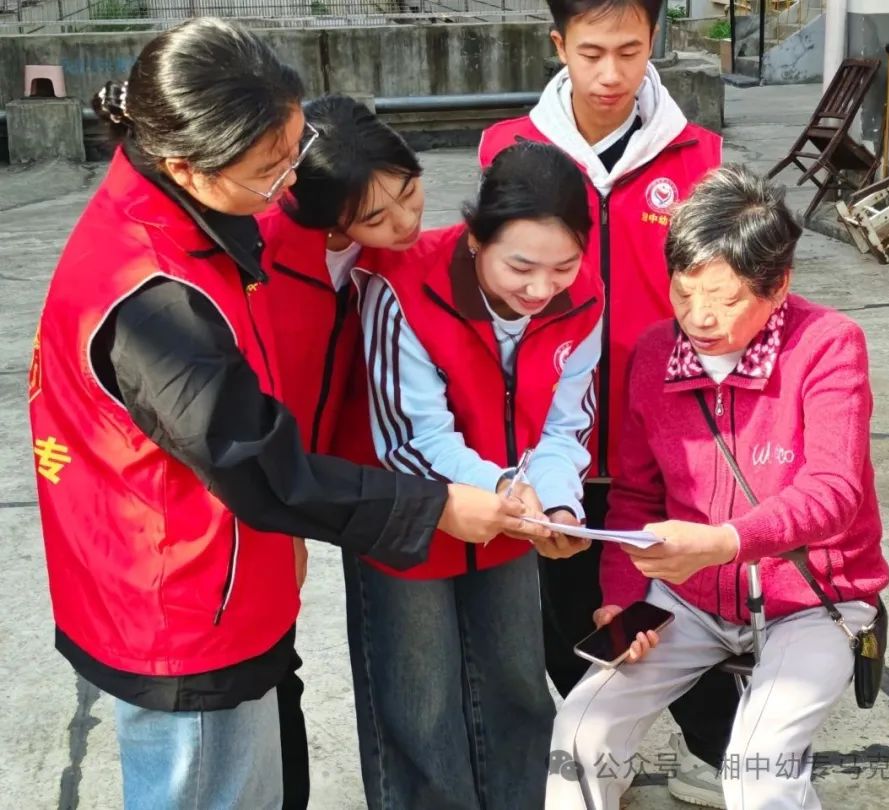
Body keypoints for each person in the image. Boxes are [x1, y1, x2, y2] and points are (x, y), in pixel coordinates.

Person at [27, 19, 531, 809]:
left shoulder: (183, 216)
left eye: (296, 149)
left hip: (222, 568)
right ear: (188, 165)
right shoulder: (158, 302)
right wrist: (433, 506)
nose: (291, 183)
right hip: (182, 604)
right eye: (272, 171)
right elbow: (260, 465)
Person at [545, 166, 889, 810]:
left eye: (726, 300)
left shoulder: (828, 345)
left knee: (758, 767)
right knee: (580, 732)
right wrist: (621, 599)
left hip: (813, 598)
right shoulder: (655, 352)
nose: (699, 318)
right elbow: (637, 497)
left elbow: (833, 491)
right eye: (683, 293)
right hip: (688, 596)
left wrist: (723, 541)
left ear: (778, 285)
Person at [478, 0, 735, 802]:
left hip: (668, 433)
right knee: (572, 611)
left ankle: (712, 748)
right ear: (559, 45)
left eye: (631, 50)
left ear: (655, 40)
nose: (611, 74)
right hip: (553, 433)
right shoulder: (508, 149)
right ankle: (603, 747)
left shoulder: (699, 156)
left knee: (679, 601)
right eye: (591, 52)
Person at [344, 141, 599, 810]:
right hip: (409, 515)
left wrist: (560, 505)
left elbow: (565, 426)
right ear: (475, 237)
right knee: (421, 704)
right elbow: (413, 438)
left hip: (512, 517)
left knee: (517, 686)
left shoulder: (585, 300)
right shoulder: (403, 286)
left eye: (563, 266)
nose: (541, 290)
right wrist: (510, 493)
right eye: (520, 266)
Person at [252, 93, 427, 808]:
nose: (404, 224)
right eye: (376, 218)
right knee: (269, 664)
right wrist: (283, 515)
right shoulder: (257, 254)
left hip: (353, 474)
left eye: (410, 193)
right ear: (324, 218)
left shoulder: (402, 257)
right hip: (265, 481)